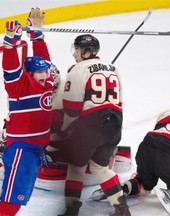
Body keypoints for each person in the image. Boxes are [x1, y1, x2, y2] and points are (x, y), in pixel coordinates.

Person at [92, 92, 170, 216]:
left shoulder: (166, 113)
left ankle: (122, 188)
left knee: (143, 183)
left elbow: (161, 136)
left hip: (146, 148)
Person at [55, 34, 131, 216]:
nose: (74, 54)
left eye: (77, 50)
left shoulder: (77, 69)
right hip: (114, 125)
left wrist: (64, 128)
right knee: (100, 168)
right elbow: (118, 102)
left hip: (91, 126)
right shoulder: (114, 69)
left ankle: (71, 211)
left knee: (76, 167)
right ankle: (122, 210)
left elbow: (72, 109)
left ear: (87, 52)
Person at [0, 8, 55, 216]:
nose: (45, 74)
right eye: (39, 72)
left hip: (35, 151)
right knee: (12, 198)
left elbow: (44, 61)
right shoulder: (19, 87)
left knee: (19, 196)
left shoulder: (47, 83)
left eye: (46, 71)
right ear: (29, 74)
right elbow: (10, 69)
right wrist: (10, 44)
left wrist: (36, 35)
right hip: (21, 150)